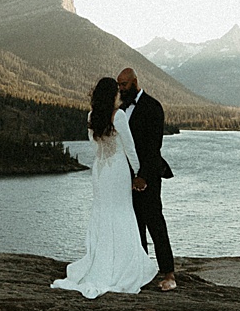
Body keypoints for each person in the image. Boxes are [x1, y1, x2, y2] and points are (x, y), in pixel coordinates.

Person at [51, 77, 161, 298]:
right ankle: (122, 265)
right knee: (121, 213)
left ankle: (99, 261)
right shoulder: (118, 116)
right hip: (117, 171)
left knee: (102, 212)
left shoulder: (92, 116)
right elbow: (129, 148)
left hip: (100, 171)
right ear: (112, 94)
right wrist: (139, 174)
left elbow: (95, 145)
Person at [117, 66, 176, 291]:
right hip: (124, 176)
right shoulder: (121, 108)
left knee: (154, 222)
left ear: (134, 82)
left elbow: (153, 148)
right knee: (134, 225)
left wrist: (142, 177)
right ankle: (141, 270)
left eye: (124, 84)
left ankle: (169, 273)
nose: (120, 89)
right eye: (118, 85)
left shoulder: (153, 107)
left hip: (148, 177)